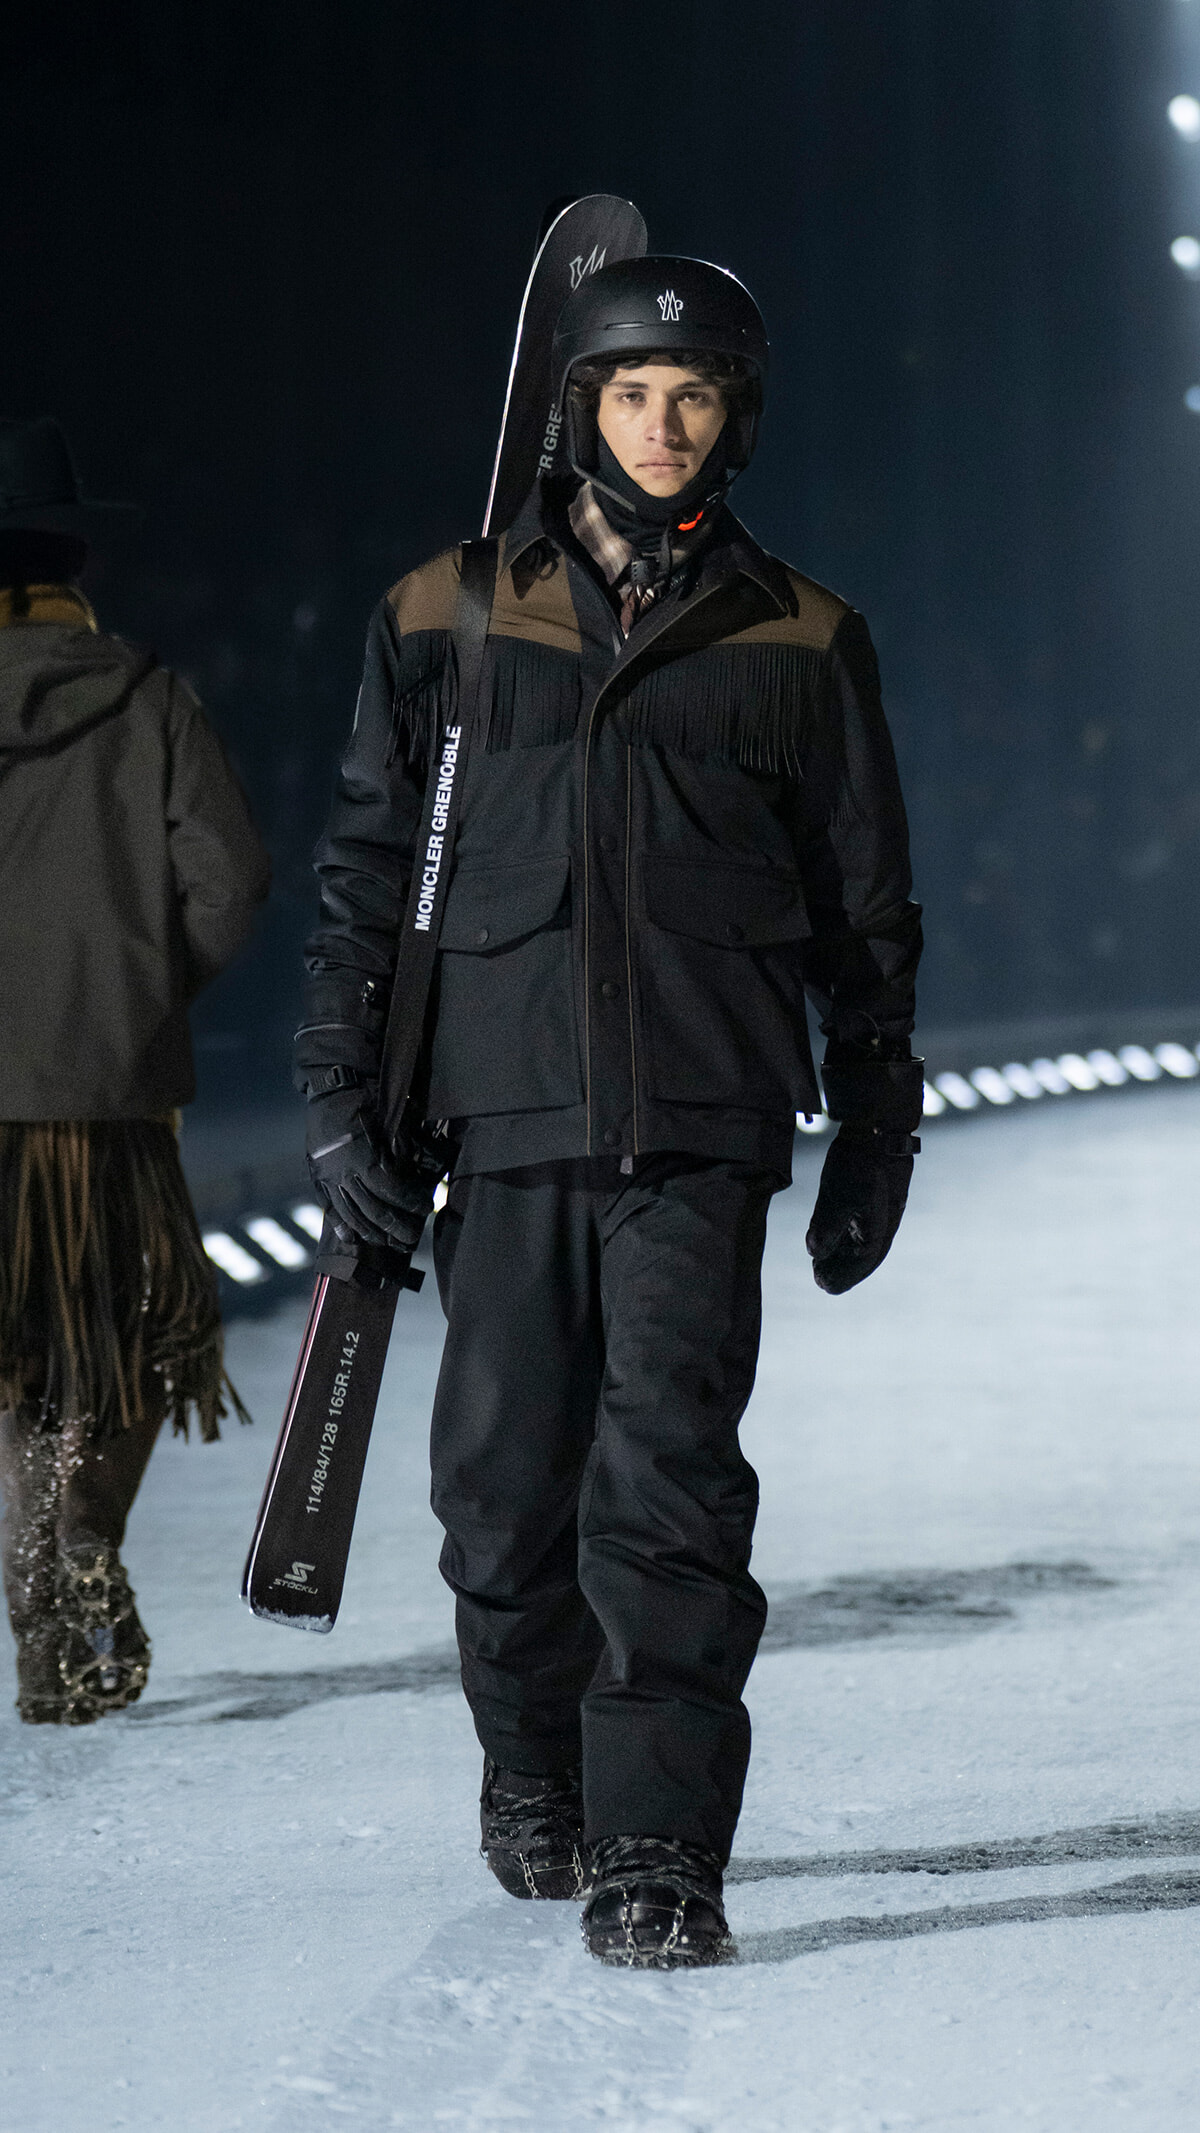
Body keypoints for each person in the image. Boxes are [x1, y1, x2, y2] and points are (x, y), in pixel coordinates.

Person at [296, 255, 922, 1967]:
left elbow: (868, 907)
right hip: (500, 1116)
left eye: (695, 394)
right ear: (579, 404)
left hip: (704, 1120)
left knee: (669, 1490)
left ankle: (659, 1840)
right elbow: (366, 878)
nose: (662, 423)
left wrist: (879, 1122)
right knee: (501, 1500)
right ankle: (534, 1767)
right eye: (634, 392)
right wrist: (343, 1105)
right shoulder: (448, 613)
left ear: (736, 419)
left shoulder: (801, 635)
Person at [0, 417, 270, 1725]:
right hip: (107, 1097)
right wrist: (136, 997)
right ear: (75, 550)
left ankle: (41, 1631)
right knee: (119, 1356)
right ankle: (84, 1535)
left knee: (13, 1372)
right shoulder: (146, 689)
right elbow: (231, 877)